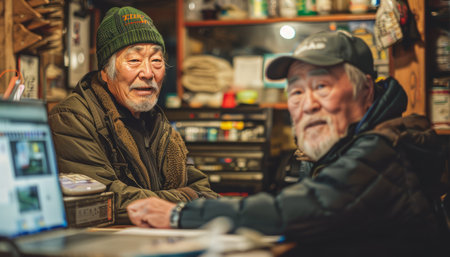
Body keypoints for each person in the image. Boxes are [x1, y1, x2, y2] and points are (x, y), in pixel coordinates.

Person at [126, 30, 448, 256]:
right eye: (296, 91)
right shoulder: (353, 145)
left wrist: (178, 215)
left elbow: (298, 209)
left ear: (366, 90)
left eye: (321, 86)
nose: (307, 104)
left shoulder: (382, 150)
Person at [48, 6, 219, 224]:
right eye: (134, 61)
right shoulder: (73, 118)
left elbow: (203, 189)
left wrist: (184, 200)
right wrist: (185, 198)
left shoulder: (156, 121)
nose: (148, 73)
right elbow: (104, 199)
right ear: (105, 73)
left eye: (156, 61)